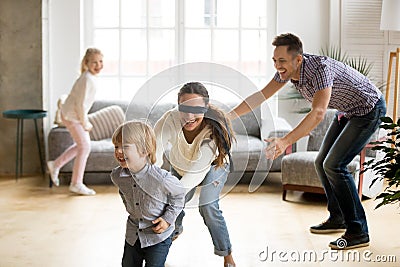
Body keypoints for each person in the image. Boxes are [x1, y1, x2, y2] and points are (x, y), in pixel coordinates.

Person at [229, 33, 386, 250]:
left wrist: (284, 142)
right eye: (275, 61)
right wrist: (227, 117)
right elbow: (260, 96)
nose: (277, 66)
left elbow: (318, 113)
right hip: (348, 112)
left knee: (334, 165)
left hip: (369, 109)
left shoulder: (320, 69)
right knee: (321, 161)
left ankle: (358, 230)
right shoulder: (285, 73)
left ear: (298, 59)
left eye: (282, 61)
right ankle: (337, 217)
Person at [154, 82, 236, 267]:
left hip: (214, 166)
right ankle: (166, 243)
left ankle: (227, 256)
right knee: (168, 207)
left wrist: (173, 197)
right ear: (177, 105)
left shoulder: (213, 131)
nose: (189, 117)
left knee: (207, 207)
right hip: (180, 164)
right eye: (184, 108)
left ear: (206, 107)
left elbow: (196, 173)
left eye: (196, 109)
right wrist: (151, 181)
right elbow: (155, 153)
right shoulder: (170, 119)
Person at [110, 120, 185, 267]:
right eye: (116, 146)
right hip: (133, 234)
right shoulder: (117, 176)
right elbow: (124, 193)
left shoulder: (161, 179)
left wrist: (168, 219)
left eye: (125, 147)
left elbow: (179, 195)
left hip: (158, 236)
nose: (118, 151)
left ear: (144, 151)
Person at [47, 48, 104, 195]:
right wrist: (85, 123)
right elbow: (80, 105)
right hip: (72, 116)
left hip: (72, 115)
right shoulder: (87, 79)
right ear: (86, 63)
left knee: (82, 146)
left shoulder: (89, 78)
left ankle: (55, 165)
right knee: (85, 146)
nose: (98, 65)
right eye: (94, 62)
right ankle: (76, 183)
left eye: (100, 61)